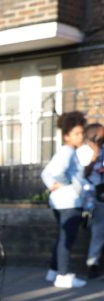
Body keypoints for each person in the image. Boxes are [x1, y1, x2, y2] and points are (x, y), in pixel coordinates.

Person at [41, 111, 88, 289]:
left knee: (63, 237)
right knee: (67, 239)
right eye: (77, 133)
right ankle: (62, 276)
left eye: (82, 132)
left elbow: (46, 173)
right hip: (69, 202)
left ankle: (53, 271)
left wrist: (54, 183)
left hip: (60, 202)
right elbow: (54, 172)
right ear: (66, 136)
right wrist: (68, 183)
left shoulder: (66, 152)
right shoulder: (68, 152)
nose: (81, 136)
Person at [81, 123, 104, 279]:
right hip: (92, 195)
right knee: (98, 231)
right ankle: (92, 264)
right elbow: (83, 173)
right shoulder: (84, 151)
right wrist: (94, 156)